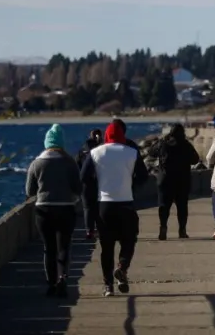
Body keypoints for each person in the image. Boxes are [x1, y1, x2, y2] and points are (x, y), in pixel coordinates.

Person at [81, 119, 150, 298]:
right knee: (129, 239)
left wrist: (97, 187)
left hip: (104, 205)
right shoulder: (131, 152)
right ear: (122, 135)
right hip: (126, 202)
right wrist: (131, 185)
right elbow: (144, 176)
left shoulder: (96, 152)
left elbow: (84, 176)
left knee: (106, 247)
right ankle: (122, 267)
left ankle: (108, 286)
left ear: (106, 135)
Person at [25, 124, 82, 297]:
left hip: (44, 211)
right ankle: (63, 277)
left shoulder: (36, 163)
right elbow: (78, 188)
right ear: (62, 143)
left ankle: (51, 283)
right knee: (64, 246)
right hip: (66, 209)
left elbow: (30, 191)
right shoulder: (70, 162)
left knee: (49, 248)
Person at [155, 123, 201, 240]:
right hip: (182, 180)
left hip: (165, 180)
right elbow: (195, 160)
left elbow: (151, 152)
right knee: (182, 207)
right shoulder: (186, 145)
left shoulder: (163, 143)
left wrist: (162, 141)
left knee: (164, 206)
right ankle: (182, 230)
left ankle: (163, 227)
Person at [75, 128, 103, 240]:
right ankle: (100, 230)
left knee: (87, 208)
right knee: (98, 208)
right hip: (98, 183)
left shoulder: (82, 150)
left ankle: (89, 231)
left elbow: (77, 164)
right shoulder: (100, 150)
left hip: (85, 183)